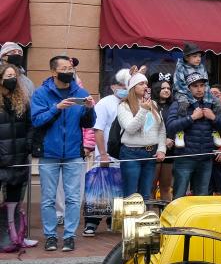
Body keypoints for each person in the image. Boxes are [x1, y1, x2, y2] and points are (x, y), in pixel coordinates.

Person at [31, 55, 96, 252]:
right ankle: (50, 236)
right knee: (48, 198)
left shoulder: (80, 91)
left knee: (73, 198)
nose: (69, 72)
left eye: (70, 69)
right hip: (49, 153)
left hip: (74, 154)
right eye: (65, 68)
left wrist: (89, 110)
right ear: (54, 71)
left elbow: (89, 123)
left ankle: (69, 236)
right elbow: (36, 121)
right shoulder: (41, 93)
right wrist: (56, 108)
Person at [82, 68, 132, 237]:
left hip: (124, 154)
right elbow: (98, 130)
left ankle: (113, 220)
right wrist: (103, 154)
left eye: (127, 84)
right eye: (121, 84)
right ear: (112, 86)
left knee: (117, 190)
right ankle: (91, 222)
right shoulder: (105, 103)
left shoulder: (132, 103)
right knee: (99, 189)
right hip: (106, 154)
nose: (125, 87)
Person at [165, 72, 221, 199]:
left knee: (202, 197)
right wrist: (192, 117)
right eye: (195, 86)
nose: (199, 89)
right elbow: (170, 127)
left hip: (205, 158)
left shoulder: (212, 104)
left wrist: (214, 117)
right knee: (179, 196)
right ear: (188, 88)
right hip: (184, 158)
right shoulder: (179, 103)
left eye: (202, 85)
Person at [0, 65, 37, 249]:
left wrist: (28, 145)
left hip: (19, 158)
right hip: (2, 159)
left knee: (14, 199)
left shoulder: (22, 100)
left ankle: (15, 236)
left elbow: (30, 125)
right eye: (8, 75)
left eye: (14, 75)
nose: (12, 78)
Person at [116, 73, 166, 198]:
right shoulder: (124, 105)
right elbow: (130, 129)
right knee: (131, 194)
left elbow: (161, 129)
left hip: (151, 153)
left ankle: (144, 217)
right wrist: (143, 110)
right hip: (131, 153)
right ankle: (129, 218)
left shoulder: (153, 104)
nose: (145, 86)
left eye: (146, 83)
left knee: (146, 193)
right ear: (133, 87)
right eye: (141, 83)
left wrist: (161, 149)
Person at [151, 78, 175, 201]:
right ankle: (150, 216)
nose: (166, 90)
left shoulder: (174, 106)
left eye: (168, 88)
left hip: (170, 150)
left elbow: (178, 126)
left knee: (166, 187)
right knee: (151, 187)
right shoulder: (150, 105)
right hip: (153, 150)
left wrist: (173, 139)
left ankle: (166, 217)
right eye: (163, 88)